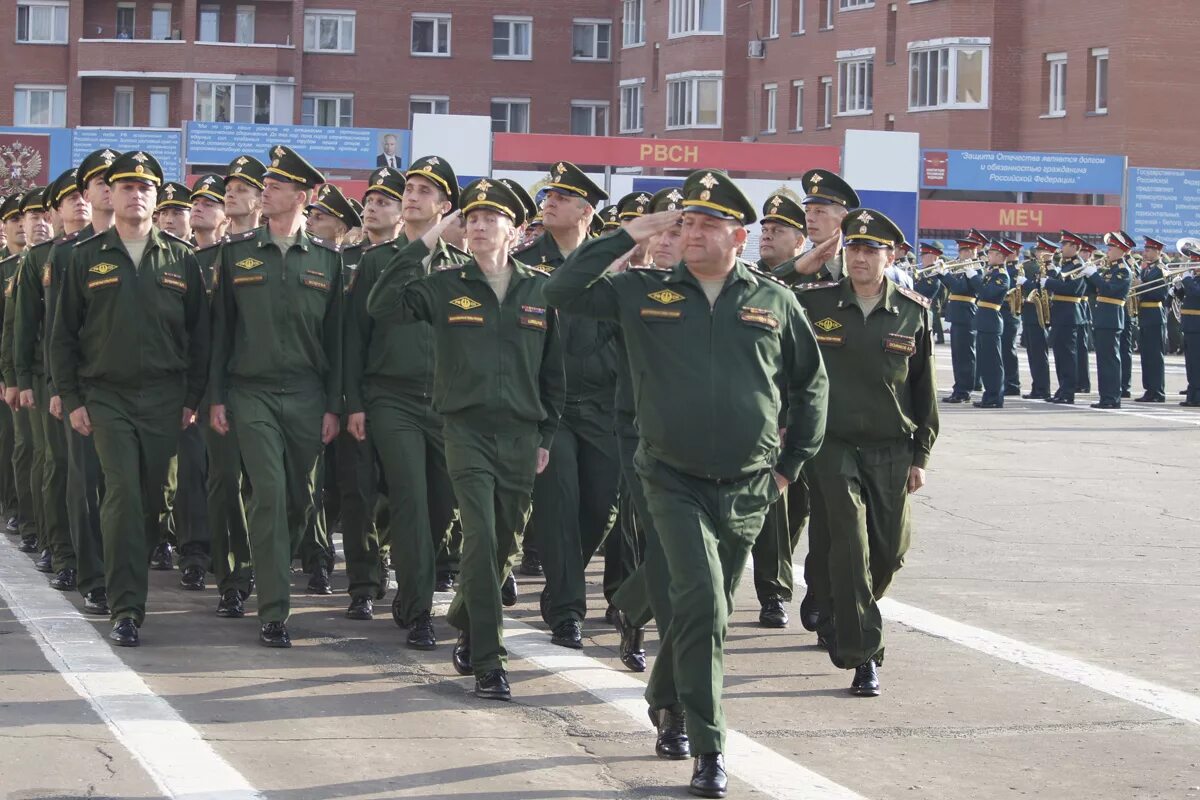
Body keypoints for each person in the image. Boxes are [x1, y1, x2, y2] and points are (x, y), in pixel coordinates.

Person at [544, 169, 827, 799]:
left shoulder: (773, 299)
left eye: (707, 224)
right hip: (671, 477)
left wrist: (791, 465)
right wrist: (624, 234)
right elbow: (562, 290)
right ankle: (710, 745)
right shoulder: (642, 292)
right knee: (702, 602)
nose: (692, 233)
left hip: (751, 483)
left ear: (740, 235)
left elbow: (810, 384)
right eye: (687, 222)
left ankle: (666, 694)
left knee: (711, 609)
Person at [367, 178, 565, 701]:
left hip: (522, 435)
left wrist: (545, 433)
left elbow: (554, 374)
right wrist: (429, 237)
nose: (478, 226)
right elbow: (383, 303)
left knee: (503, 543)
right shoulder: (446, 284)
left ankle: (465, 614)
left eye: (491, 218)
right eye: (471, 218)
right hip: (466, 431)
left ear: (516, 229)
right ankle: (490, 662)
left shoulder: (541, 289)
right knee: (479, 538)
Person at [50, 151, 209, 647]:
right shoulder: (85, 256)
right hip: (107, 395)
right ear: (110, 196)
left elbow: (200, 335)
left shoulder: (181, 258)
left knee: (150, 500)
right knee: (119, 492)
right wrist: (72, 397)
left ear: (157, 198)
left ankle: (129, 586)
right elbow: (63, 338)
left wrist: (192, 396)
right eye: (124, 187)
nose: (134, 194)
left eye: (144, 188)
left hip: (165, 397)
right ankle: (125, 607)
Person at [796, 207, 937, 698]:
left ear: (890, 255)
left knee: (889, 553)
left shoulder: (913, 310)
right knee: (851, 546)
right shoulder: (814, 303)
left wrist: (921, 454)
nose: (860, 257)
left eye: (871, 249)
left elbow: (924, 391)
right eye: (853, 247)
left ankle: (839, 608)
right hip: (831, 445)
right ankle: (864, 655)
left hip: (892, 448)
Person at [208, 145, 343, 647]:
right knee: (267, 490)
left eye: (277, 186)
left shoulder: (329, 261)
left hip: (309, 395)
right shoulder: (236, 253)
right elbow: (221, 331)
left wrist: (335, 403)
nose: (266, 190)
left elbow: (338, 341)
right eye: (265, 184)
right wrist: (217, 396)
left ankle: (261, 560)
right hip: (252, 392)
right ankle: (273, 609)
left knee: (300, 498)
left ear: (303, 197)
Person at [343, 157, 468, 640]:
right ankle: (417, 610)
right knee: (411, 500)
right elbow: (353, 337)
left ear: (445, 206)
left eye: (424, 191)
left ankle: (413, 579)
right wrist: (354, 401)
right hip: (390, 398)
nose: (412, 196)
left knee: (443, 506)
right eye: (409, 188)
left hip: (445, 404)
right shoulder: (378, 261)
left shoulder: (461, 269)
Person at [516, 161, 618, 650]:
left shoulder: (610, 262)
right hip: (549, 407)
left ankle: (563, 583)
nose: (549, 201)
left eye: (562, 196)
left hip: (603, 406)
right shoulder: (525, 261)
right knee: (558, 506)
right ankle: (566, 610)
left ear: (586, 210)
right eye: (548, 195)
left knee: (599, 507)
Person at [16, 169, 90, 592]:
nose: (80, 202)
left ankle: (95, 555)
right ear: (57, 210)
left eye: (86, 195)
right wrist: (23, 378)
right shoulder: (43, 256)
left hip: (100, 377)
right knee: (58, 464)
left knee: (97, 476)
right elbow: (26, 326)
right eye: (70, 198)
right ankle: (61, 550)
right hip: (50, 378)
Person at [207, 156, 265, 619]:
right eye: (230, 184)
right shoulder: (208, 253)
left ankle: (261, 567)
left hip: (269, 389)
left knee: (272, 490)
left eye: (243, 185)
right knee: (225, 484)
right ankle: (232, 579)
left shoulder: (269, 251)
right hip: (223, 387)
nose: (232, 191)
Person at [4, 188, 52, 558]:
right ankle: (31, 518)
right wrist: (11, 376)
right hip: (32, 372)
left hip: (65, 374)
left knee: (57, 457)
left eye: (41, 215)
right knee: (31, 448)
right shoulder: (18, 267)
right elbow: (11, 328)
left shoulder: (71, 257)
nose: (35, 223)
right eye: (28, 217)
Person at [0, 192, 27, 540]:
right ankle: (13, 505)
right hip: (11, 374)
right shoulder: (5, 270)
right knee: (12, 443)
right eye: (15, 219)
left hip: (32, 373)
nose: (23, 225)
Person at [1085, 231, 1135, 409]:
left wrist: (1094, 275)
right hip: (1103, 318)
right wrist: (1089, 276)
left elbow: (1108, 290)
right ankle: (1105, 396)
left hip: (1112, 318)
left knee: (1110, 360)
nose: (1108, 250)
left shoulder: (1123, 271)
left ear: (1121, 250)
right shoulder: (1111, 269)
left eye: (1111, 247)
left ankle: (1112, 397)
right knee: (1103, 360)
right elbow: (1096, 290)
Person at [1043, 231, 1090, 404]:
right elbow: (1060, 281)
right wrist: (1049, 268)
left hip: (1070, 313)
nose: (1061, 248)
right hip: (1060, 313)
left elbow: (1072, 288)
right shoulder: (1067, 264)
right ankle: (1062, 388)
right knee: (1060, 354)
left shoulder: (1079, 265)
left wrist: (1048, 283)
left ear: (1075, 247)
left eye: (1065, 245)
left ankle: (1068, 391)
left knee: (1068, 355)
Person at [940, 237, 983, 403]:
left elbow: (960, 288)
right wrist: (942, 274)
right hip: (957, 314)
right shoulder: (960, 268)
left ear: (974, 252)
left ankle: (964, 390)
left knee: (965, 356)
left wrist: (946, 275)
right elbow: (952, 286)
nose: (963, 254)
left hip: (967, 314)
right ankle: (958, 388)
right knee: (957, 356)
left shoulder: (975, 268)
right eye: (961, 251)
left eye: (966, 251)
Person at [972, 242, 1010, 409]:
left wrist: (974, 277)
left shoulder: (1002, 276)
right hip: (983, 320)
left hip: (991, 321)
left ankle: (996, 397)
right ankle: (989, 395)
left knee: (993, 363)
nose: (989, 256)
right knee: (985, 362)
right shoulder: (991, 273)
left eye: (992, 254)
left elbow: (987, 293)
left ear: (1000, 257)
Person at [1019, 237, 1056, 400]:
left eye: (1041, 251)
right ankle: (1037, 386)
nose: (1038, 253)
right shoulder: (1036, 267)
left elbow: (1041, 290)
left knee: (1039, 355)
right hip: (1030, 313)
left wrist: (1026, 283)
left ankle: (1043, 388)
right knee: (1032, 354)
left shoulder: (1050, 270)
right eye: (1038, 250)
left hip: (1040, 315)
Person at [1133, 236, 1168, 402]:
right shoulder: (1147, 269)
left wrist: (1140, 285)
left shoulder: (1161, 269)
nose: (1145, 253)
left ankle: (1157, 391)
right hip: (1145, 314)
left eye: (1148, 250)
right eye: (1145, 250)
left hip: (1154, 313)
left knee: (1155, 355)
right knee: (1146, 355)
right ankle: (1149, 389)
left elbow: (1160, 293)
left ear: (1157, 252)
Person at [756, 193, 806, 273]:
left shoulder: (814, 277)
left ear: (799, 241)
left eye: (777, 231)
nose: (766, 236)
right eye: (764, 230)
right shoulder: (749, 279)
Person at [1176, 252, 1200, 407]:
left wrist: (1187, 280)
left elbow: (1196, 293)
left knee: (1197, 363)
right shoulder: (1194, 279)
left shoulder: (1193, 280)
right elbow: (1187, 297)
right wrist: (1178, 289)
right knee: (1191, 363)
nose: (1194, 266)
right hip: (1190, 325)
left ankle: (1197, 396)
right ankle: (1192, 394)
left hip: (1197, 326)